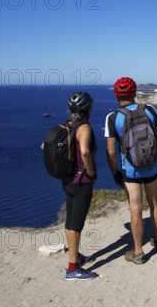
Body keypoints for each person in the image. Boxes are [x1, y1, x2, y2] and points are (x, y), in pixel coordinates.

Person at [105, 77, 157, 264]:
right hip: (152, 167)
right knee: (155, 203)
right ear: (135, 93)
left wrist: (115, 173)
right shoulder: (149, 110)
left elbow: (110, 152)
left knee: (135, 209)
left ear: (116, 95)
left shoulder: (112, 117)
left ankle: (138, 252)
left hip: (130, 171)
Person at [63, 91, 98, 280]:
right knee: (76, 225)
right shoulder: (83, 127)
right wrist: (91, 172)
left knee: (70, 222)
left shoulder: (66, 126)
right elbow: (85, 151)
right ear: (87, 109)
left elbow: (45, 146)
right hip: (82, 181)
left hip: (68, 180)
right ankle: (72, 269)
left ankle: (75, 256)